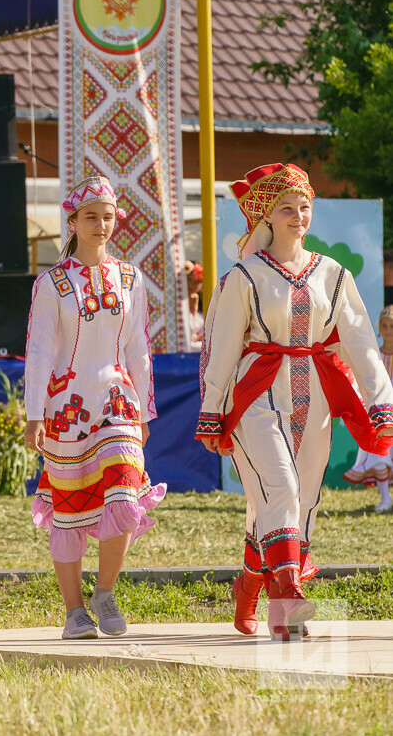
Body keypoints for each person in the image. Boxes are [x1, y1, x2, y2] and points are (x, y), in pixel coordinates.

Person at [197, 163, 393, 640]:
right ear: (266, 215)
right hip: (255, 392)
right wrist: (212, 410)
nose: (298, 216)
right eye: (287, 208)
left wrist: (380, 401)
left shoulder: (332, 274)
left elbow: (362, 341)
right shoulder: (244, 276)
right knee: (280, 486)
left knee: (296, 500)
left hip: (317, 393)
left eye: (304, 207)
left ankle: (250, 582)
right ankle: (287, 599)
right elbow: (222, 347)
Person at [23, 175, 164, 640]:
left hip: (118, 402)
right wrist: (34, 414)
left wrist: (144, 411)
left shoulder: (130, 277)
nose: (101, 224)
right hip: (66, 408)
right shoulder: (52, 283)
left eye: (107, 216)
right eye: (91, 217)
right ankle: (74, 612)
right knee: (68, 511)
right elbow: (40, 349)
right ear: (73, 222)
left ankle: (105, 593)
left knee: (124, 491)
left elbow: (140, 348)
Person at [342, 304, 393, 512]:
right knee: (378, 454)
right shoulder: (373, 355)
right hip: (381, 414)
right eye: (385, 326)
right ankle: (385, 498)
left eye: (392, 326)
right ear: (379, 329)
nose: (389, 331)